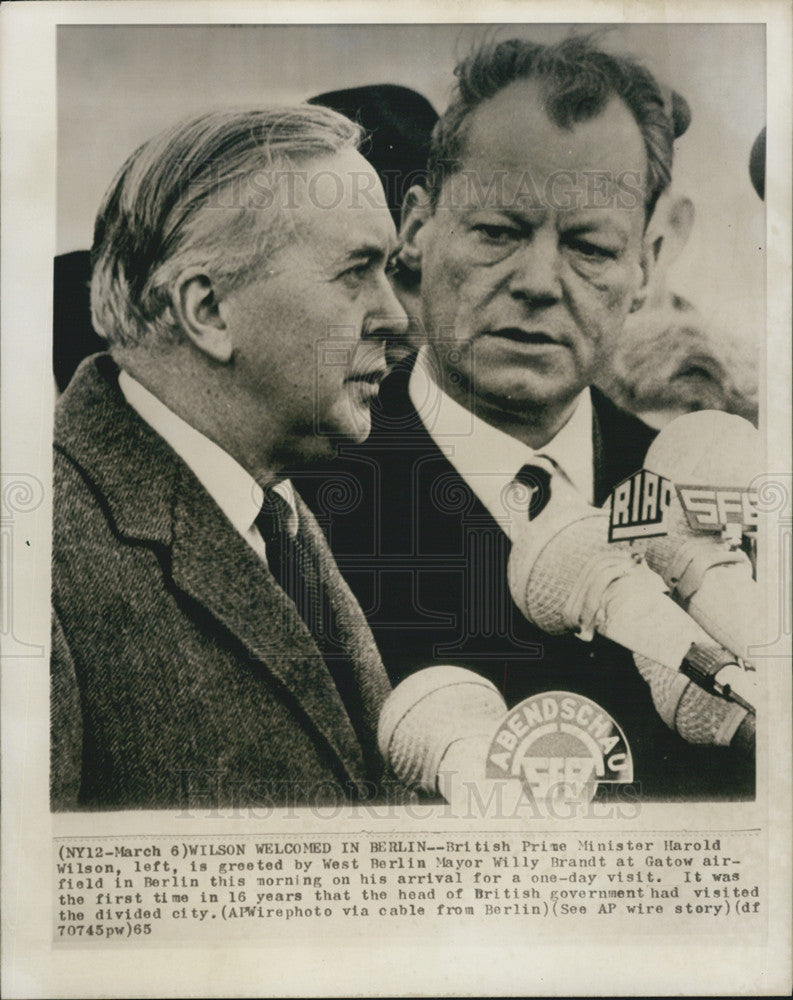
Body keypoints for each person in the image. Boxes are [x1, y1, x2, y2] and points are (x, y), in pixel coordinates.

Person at [299, 36, 753, 799]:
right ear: (415, 229)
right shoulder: (300, 500)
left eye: (588, 247)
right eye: (497, 233)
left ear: (646, 264)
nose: (538, 283)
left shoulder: (709, 506)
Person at [51, 105, 410, 811]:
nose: (396, 316)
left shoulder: (275, 513)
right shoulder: (35, 551)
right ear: (208, 310)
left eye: (390, 270)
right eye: (355, 271)